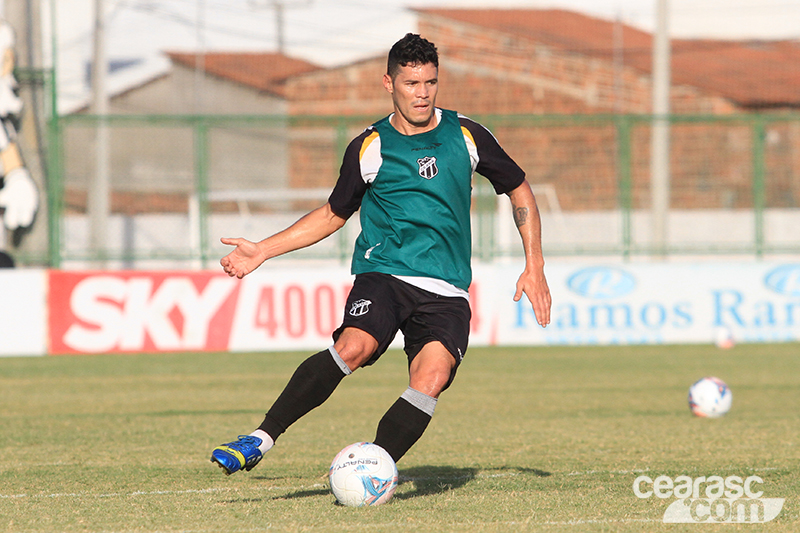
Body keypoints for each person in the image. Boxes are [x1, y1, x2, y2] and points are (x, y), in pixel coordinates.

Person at [211, 33, 551, 475]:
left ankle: (372, 468)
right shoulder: (369, 147)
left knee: (431, 378)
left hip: (446, 288)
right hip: (385, 273)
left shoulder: (467, 135)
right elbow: (333, 214)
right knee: (353, 346)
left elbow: (518, 188)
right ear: (388, 83)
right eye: (411, 84)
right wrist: (263, 250)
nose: (422, 93)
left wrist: (535, 265)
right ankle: (259, 438)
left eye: (430, 82)